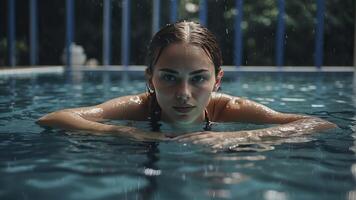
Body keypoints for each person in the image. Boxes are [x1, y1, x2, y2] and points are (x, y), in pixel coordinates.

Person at [37, 21, 336, 150]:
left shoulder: (229, 110)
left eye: (198, 79)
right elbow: (52, 118)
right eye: (168, 77)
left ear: (217, 80)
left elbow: (319, 124)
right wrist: (123, 131)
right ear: (149, 78)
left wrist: (241, 136)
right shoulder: (141, 107)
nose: (183, 93)